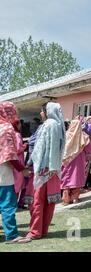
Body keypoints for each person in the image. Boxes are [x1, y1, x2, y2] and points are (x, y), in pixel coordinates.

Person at [24, 102, 65, 242]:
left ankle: (35, 231)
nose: (41, 114)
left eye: (42, 111)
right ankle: (43, 229)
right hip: (54, 170)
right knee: (49, 202)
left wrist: (29, 162)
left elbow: (39, 148)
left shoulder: (47, 125)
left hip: (43, 169)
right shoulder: (59, 126)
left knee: (37, 201)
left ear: (47, 112)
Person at [0, 102, 30, 244]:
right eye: (13, 111)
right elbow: (9, 154)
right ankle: (11, 235)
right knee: (8, 203)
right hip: (3, 171)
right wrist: (21, 169)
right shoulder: (6, 128)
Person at [60, 119, 91, 206]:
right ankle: (75, 198)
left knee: (66, 178)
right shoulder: (84, 136)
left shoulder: (66, 135)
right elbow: (89, 148)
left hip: (67, 160)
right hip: (79, 160)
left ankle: (66, 200)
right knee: (76, 178)